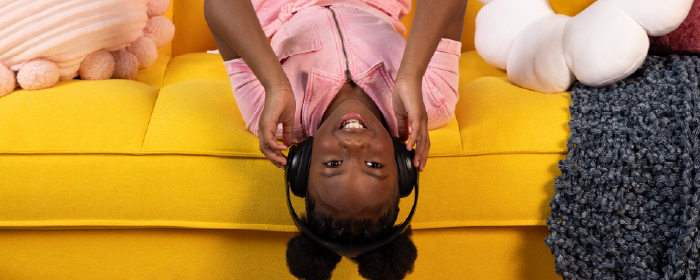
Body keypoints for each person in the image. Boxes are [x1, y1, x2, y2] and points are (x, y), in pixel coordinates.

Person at [204, 0, 467, 279]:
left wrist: (274, 82)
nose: (353, 145)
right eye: (374, 166)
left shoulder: (272, 114)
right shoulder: (431, 101)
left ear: (302, 163)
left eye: (333, 164)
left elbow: (219, 4)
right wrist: (412, 74)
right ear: (402, 162)